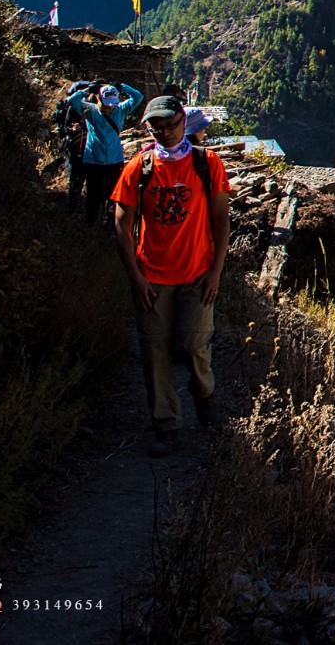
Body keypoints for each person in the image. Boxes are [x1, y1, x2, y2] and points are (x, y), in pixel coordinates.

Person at [110, 93, 231, 457]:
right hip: (153, 276)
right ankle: (166, 425)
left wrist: (215, 271)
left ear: (184, 122)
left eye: (171, 125)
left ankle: (205, 396)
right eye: (157, 127)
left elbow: (222, 218)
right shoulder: (139, 167)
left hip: (197, 275)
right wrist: (135, 277)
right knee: (155, 350)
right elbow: (121, 222)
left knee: (195, 344)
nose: (164, 133)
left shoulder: (207, 164)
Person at [65, 80, 143, 225]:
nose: (110, 106)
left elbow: (138, 97)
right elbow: (72, 100)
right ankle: (91, 223)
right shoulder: (91, 110)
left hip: (114, 160)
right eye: (107, 101)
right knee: (93, 195)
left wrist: (122, 86)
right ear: (99, 98)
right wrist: (88, 90)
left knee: (113, 195)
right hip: (94, 159)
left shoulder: (120, 109)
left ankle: (111, 224)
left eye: (112, 102)